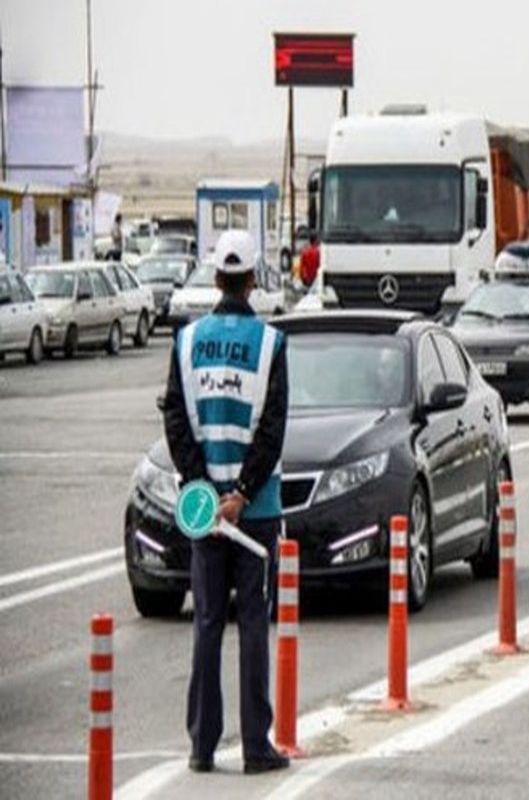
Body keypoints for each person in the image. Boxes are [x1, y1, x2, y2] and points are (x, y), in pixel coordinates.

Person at [161, 230, 291, 776]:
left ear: (215, 277)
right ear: (254, 280)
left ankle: (202, 747)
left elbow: (174, 419)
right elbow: (272, 428)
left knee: (208, 622)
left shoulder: (186, 342)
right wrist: (240, 494)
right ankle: (257, 747)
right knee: (254, 624)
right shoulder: (271, 345)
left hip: (203, 513)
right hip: (254, 514)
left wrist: (206, 490)